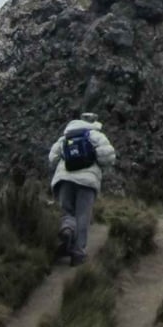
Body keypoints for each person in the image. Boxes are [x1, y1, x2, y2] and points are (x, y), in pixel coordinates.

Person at [48, 112, 117, 265]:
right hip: (87, 182)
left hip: (64, 180)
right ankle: (77, 253)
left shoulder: (65, 137)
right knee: (83, 216)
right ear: (95, 122)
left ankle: (67, 231)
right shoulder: (96, 136)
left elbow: (52, 159)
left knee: (67, 211)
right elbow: (109, 157)